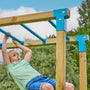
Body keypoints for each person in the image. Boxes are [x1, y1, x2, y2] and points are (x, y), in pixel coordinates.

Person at [2, 32, 74, 90]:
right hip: (31, 83)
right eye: (14, 55)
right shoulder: (10, 66)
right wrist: (5, 39)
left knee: (69, 86)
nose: (17, 56)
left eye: (18, 54)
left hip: (43, 78)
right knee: (48, 87)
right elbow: (4, 52)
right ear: (9, 60)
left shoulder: (24, 62)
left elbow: (28, 51)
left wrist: (18, 45)